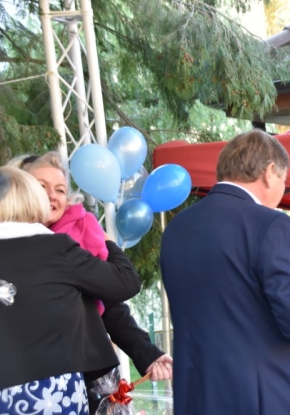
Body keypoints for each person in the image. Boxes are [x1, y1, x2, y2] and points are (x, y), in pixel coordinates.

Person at [160, 129, 290, 415]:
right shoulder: (270, 224)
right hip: (260, 396)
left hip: (195, 395)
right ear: (270, 172)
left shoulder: (177, 229)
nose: (282, 189)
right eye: (284, 181)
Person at [9, 152, 172, 412]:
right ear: (19, 190)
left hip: (80, 377)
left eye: (60, 190)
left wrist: (147, 354)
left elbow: (111, 303)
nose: (52, 196)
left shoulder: (73, 240)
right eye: (41, 187)